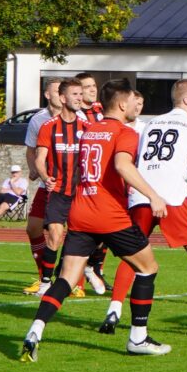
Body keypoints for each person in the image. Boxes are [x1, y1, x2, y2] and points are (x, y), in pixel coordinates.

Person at [20, 79, 172, 361]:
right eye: (132, 102)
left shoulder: (89, 130)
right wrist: (153, 195)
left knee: (66, 279)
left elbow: (80, 170)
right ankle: (138, 338)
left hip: (81, 210)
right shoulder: (125, 131)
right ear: (123, 104)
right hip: (109, 214)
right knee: (148, 268)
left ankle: (35, 330)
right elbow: (121, 165)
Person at [97, 78, 187, 338]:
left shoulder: (150, 124)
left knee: (134, 255)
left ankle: (113, 311)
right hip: (171, 196)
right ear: (186, 100)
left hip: (142, 195)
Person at [33, 79, 88, 296]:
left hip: (80, 194)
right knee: (55, 235)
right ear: (63, 98)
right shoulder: (49, 127)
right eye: (75, 94)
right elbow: (39, 159)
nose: (79, 98)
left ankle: (61, 275)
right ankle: (46, 281)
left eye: (80, 94)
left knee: (75, 240)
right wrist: (46, 176)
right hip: (57, 191)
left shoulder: (86, 128)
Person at [23, 78, 63, 292]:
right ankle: (43, 277)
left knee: (71, 232)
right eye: (57, 91)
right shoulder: (38, 120)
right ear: (48, 95)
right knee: (33, 228)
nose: (61, 95)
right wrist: (33, 169)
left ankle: (74, 281)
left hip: (69, 186)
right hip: (46, 184)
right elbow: (30, 150)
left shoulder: (77, 119)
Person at [76, 71, 111, 293]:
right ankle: (73, 277)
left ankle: (95, 269)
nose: (92, 89)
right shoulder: (74, 114)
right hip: (80, 181)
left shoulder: (101, 110)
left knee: (105, 230)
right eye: (87, 86)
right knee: (77, 232)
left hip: (102, 180)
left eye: (93, 85)